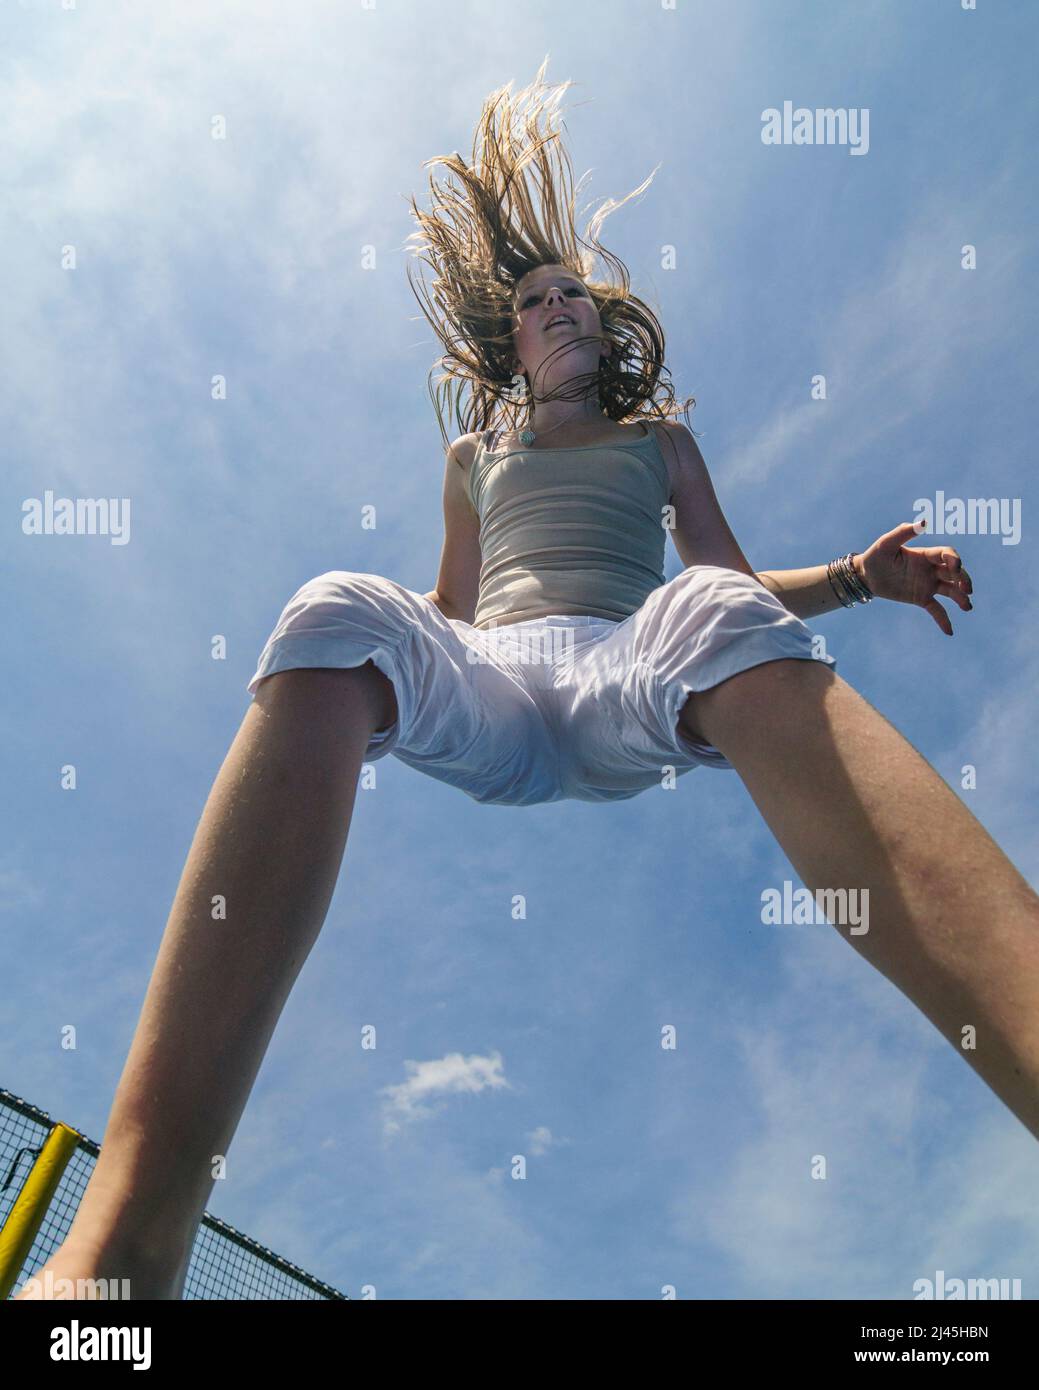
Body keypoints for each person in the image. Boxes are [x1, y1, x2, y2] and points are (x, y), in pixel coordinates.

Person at [16, 60, 1037, 1301]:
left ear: (604, 337)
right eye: (540, 299)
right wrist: (393, 673)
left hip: (622, 665)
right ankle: (121, 1258)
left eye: (578, 298)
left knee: (709, 603)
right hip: (492, 673)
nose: (560, 307)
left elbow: (727, 579)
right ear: (513, 338)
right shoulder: (471, 455)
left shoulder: (659, 440)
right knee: (335, 606)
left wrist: (860, 579)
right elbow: (443, 615)